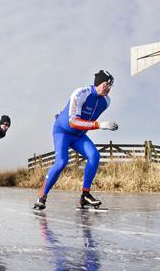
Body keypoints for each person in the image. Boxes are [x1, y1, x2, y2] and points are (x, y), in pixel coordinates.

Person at [34, 70, 118, 210]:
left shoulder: (106, 101)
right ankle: (42, 196)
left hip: (79, 135)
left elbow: (87, 118)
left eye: (111, 85)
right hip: (63, 132)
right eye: (106, 84)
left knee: (94, 156)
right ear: (98, 83)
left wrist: (92, 125)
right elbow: (73, 122)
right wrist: (99, 125)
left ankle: (85, 196)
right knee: (61, 162)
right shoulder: (81, 93)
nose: (108, 88)